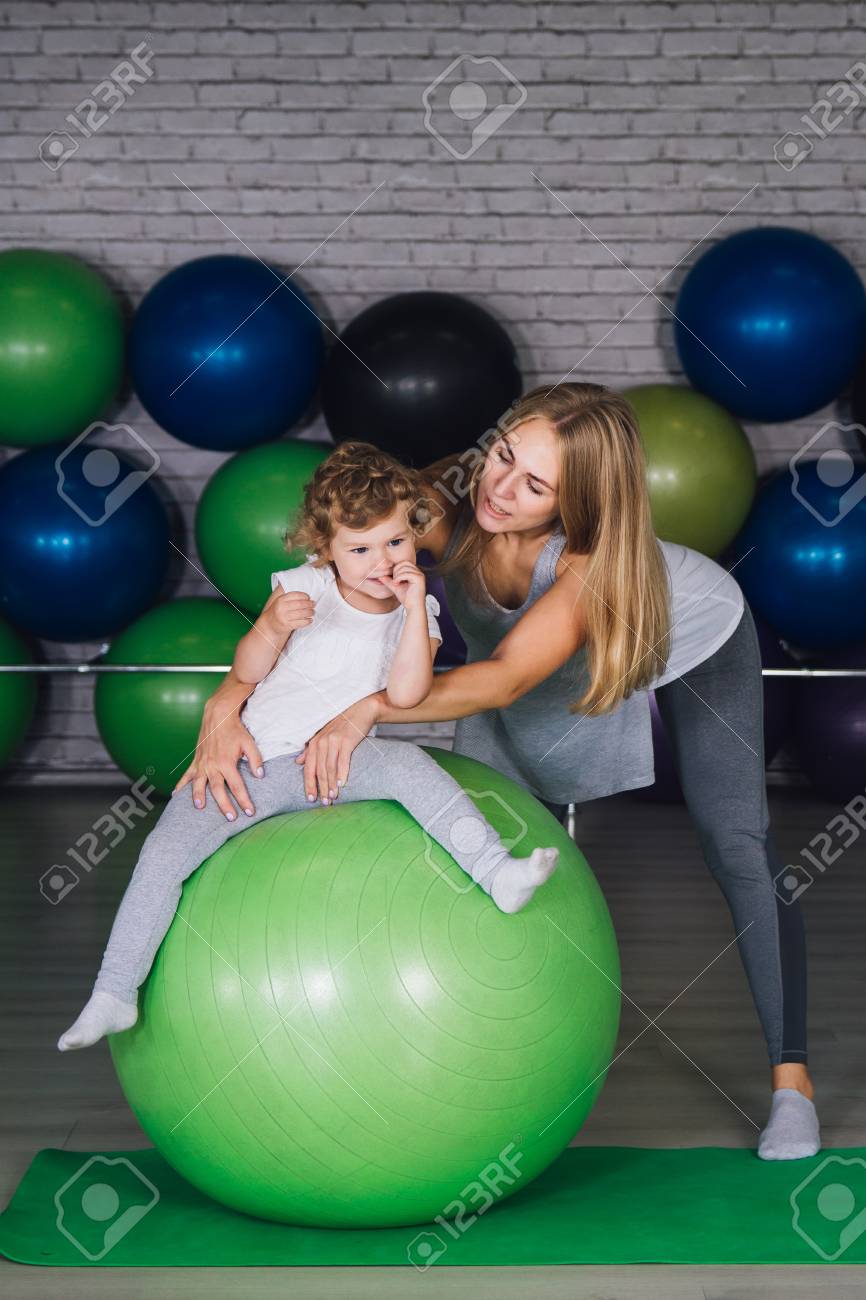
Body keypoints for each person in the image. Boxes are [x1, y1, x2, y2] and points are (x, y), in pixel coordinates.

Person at [178, 383, 819, 1164]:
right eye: (506, 454)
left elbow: (507, 677)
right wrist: (226, 705)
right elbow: (317, 594)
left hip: (696, 631)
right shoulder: (443, 498)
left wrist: (363, 710)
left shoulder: (586, 568)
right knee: (481, 846)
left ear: (577, 504)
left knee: (736, 843)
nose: (500, 487)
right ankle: (471, 1061)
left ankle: (793, 1087)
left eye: (535, 486)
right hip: (521, 662)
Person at [56, 442, 560, 1053]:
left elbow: (406, 694)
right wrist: (269, 626)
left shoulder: (417, 607)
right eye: (360, 549)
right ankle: (114, 991)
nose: (382, 561)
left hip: (332, 766)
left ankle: (494, 872)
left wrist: (409, 611)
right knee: (164, 850)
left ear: (415, 535)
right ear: (326, 551)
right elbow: (248, 669)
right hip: (250, 764)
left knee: (408, 764)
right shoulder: (304, 587)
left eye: (396, 543)